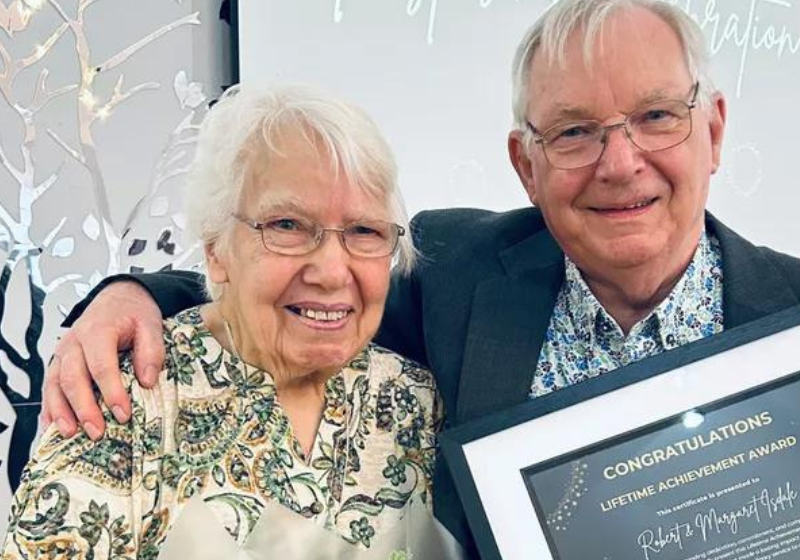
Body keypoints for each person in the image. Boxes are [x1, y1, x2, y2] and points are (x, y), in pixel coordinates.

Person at [37, 0, 800, 556]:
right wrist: (127, 298)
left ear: (715, 131)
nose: (621, 162)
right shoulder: (457, 268)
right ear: (525, 165)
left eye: (658, 116)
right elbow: (296, 291)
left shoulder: (791, 320)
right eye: (573, 132)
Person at [2, 85, 448, 557]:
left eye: (364, 231)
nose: (333, 271)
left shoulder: (418, 403)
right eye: (287, 226)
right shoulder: (122, 401)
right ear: (216, 249)